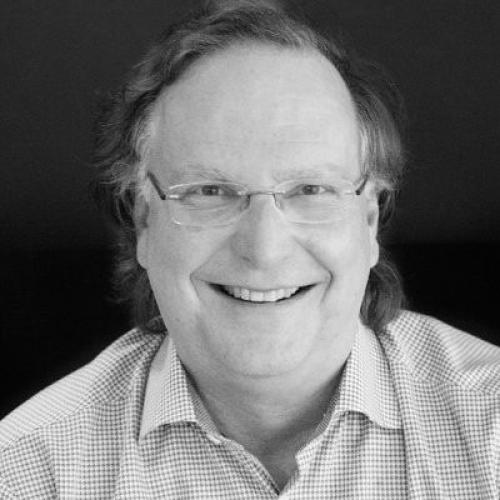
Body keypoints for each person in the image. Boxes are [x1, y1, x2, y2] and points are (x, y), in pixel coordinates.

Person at [1, 1, 499, 498]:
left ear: (369, 221)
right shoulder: (27, 471)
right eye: (210, 191)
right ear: (144, 221)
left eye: (311, 190)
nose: (264, 250)